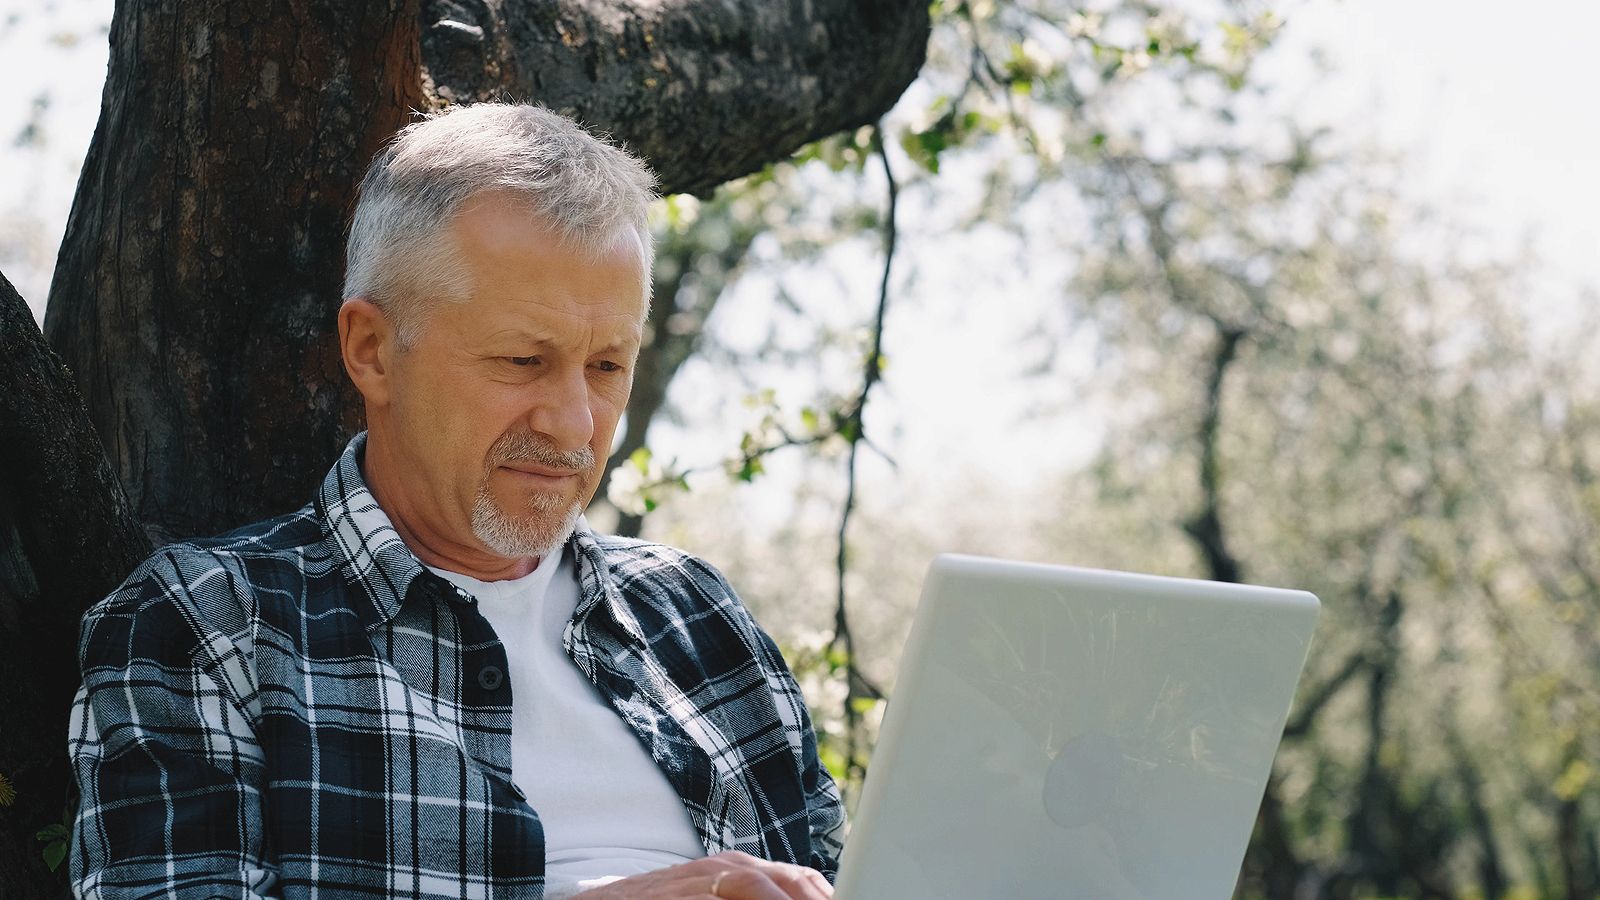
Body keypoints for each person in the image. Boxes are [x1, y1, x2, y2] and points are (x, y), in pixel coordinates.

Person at [67, 103, 844, 899]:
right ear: (372, 350)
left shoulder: (696, 616)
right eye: (522, 359)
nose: (573, 423)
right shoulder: (210, 626)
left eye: (607, 367)